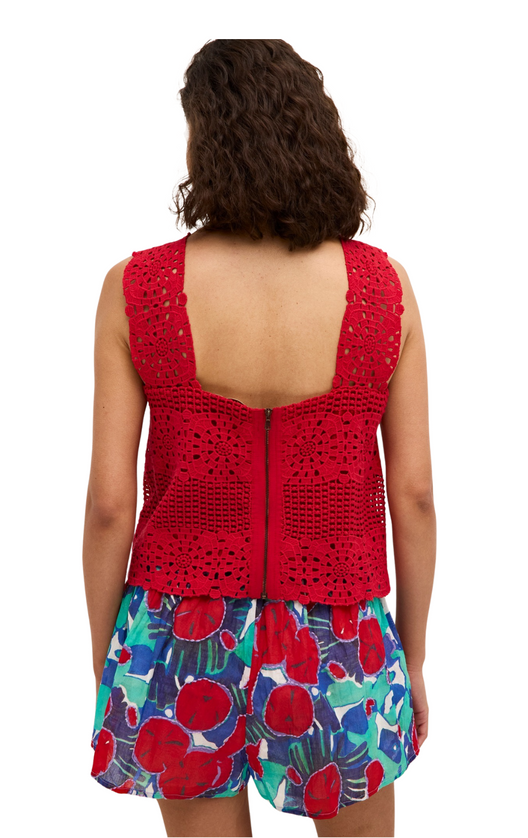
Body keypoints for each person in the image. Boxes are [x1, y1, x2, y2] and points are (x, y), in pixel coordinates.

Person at [83, 39, 436, 838]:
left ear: (206, 144)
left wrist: (113, 656)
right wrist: (409, 657)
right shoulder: (383, 288)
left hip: (177, 631)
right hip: (340, 633)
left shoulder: (135, 288)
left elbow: (108, 505)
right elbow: (412, 495)